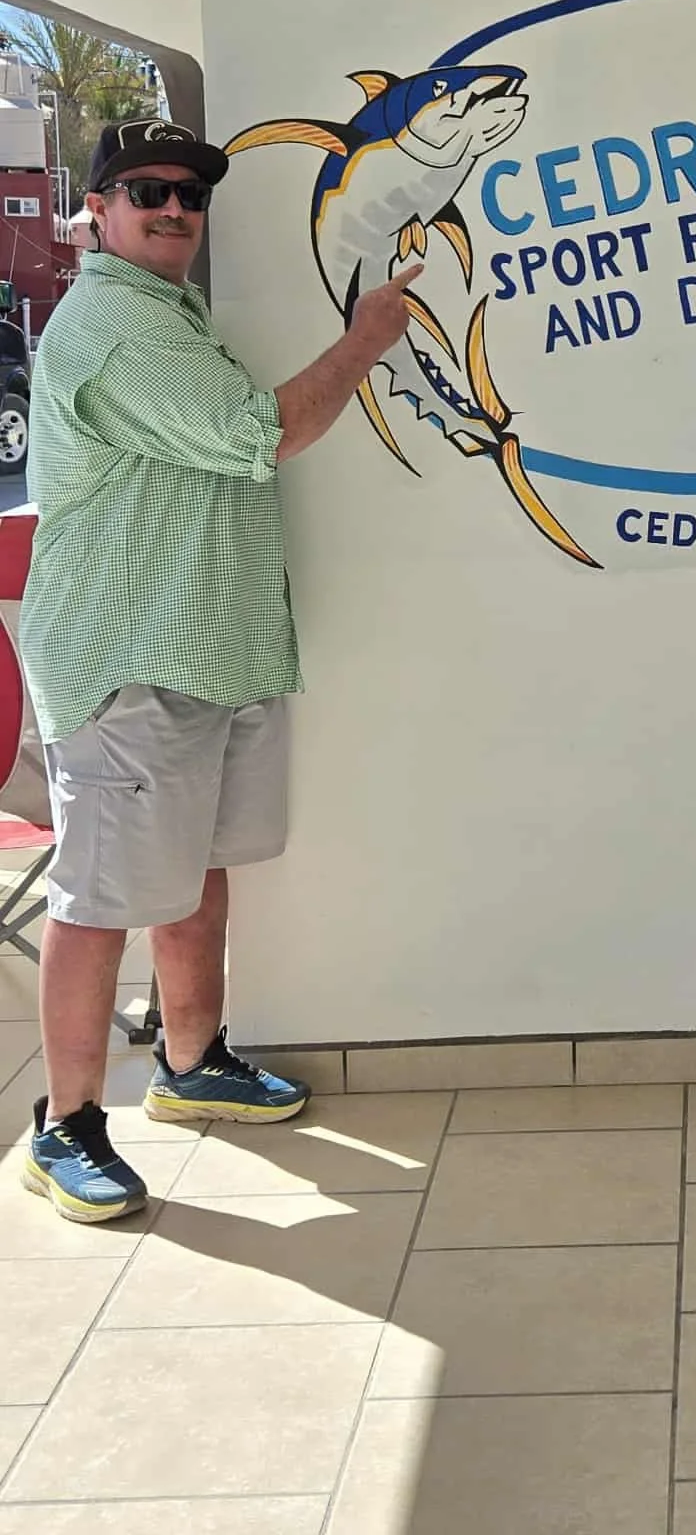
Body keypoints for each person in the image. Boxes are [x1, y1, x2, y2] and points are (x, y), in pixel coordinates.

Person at [19, 117, 422, 1223]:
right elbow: (265, 432)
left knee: (197, 867)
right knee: (100, 896)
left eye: (191, 196)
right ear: (96, 209)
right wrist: (368, 335)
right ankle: (65, 1126)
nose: (174, 209)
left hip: (209, 649)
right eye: (145, 189)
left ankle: (193, 1062)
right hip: (129, 657)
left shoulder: (167, 311)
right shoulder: (114, 325)